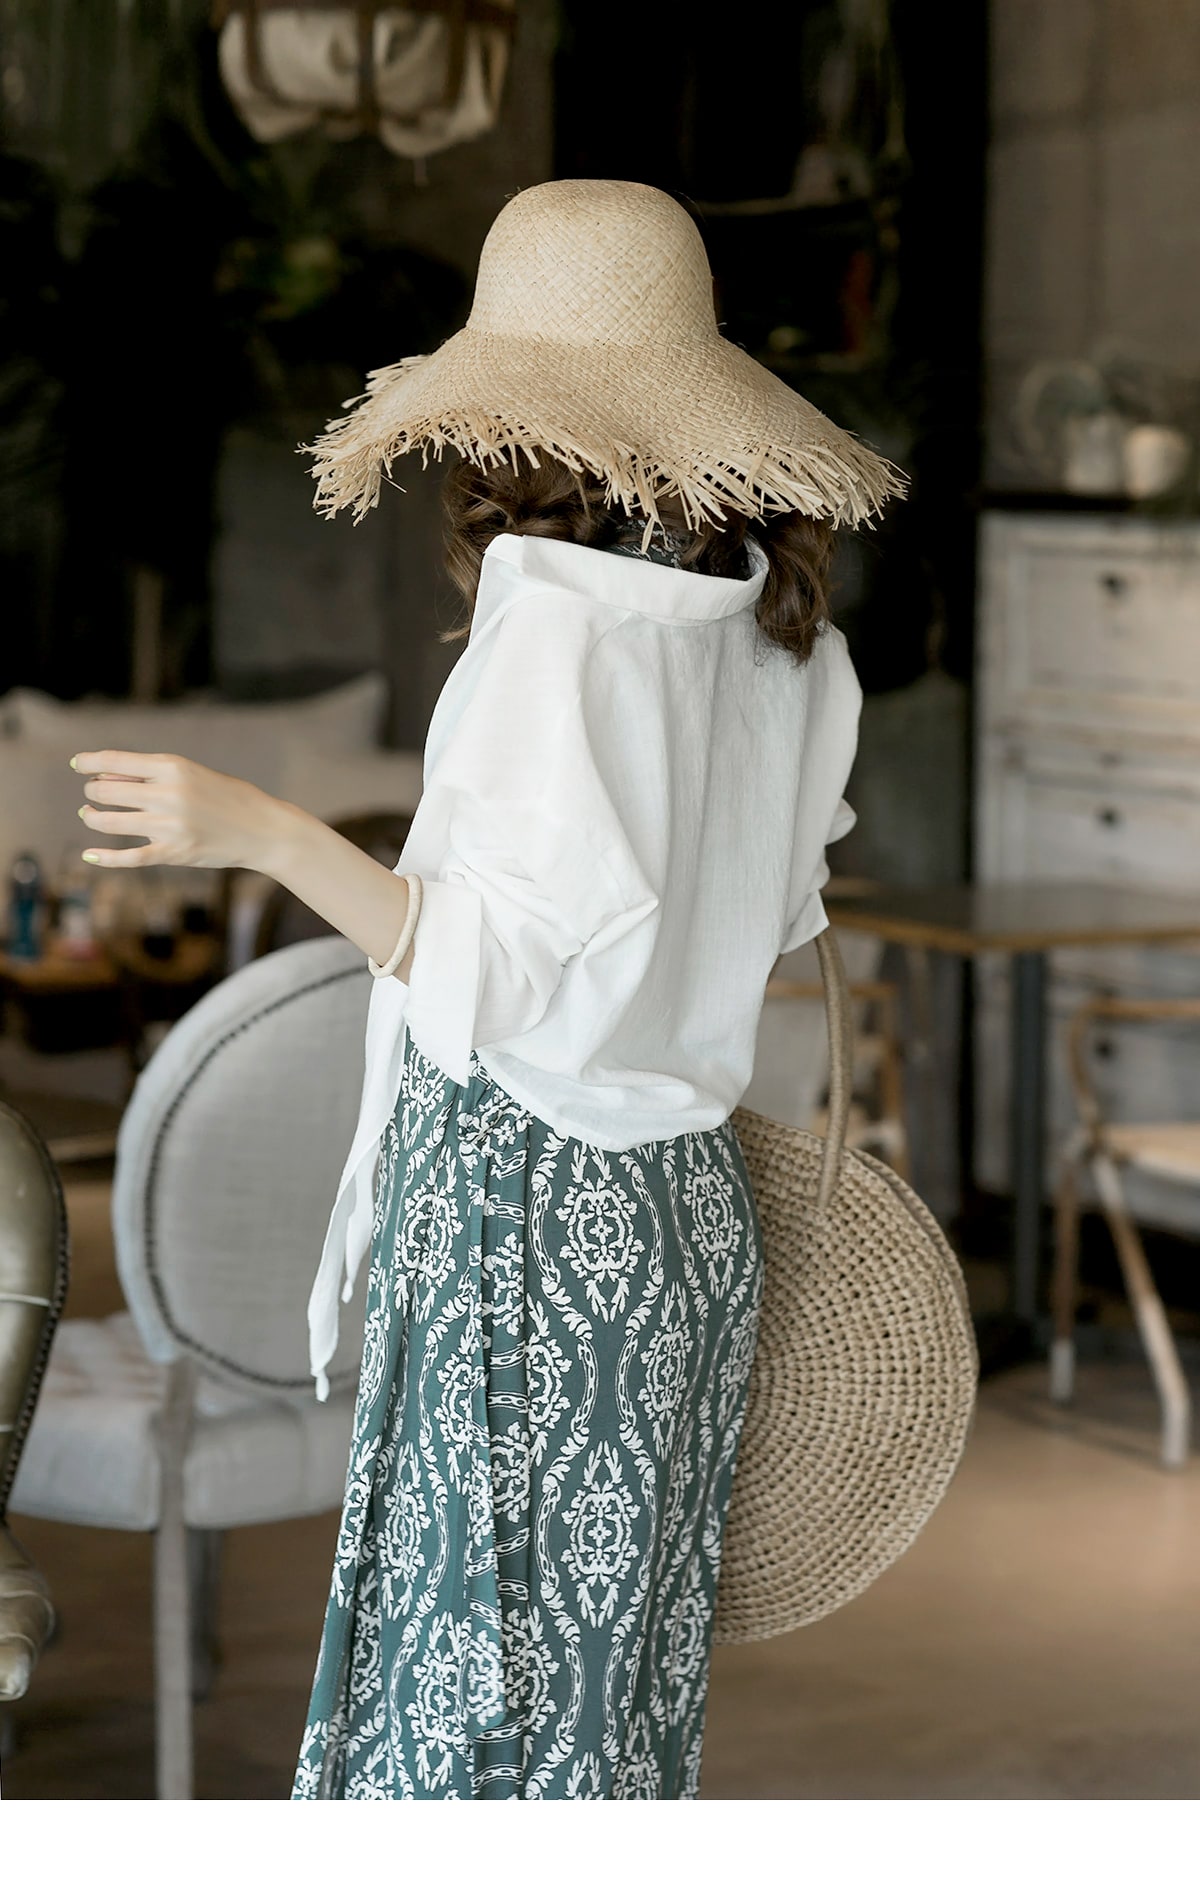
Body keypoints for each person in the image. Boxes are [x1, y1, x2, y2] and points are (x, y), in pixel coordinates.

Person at [69, 178, 903, 1800]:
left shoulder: (560, 641)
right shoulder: (787, 642)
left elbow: (487, 974)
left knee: (463, 1731)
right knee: (608, 1733)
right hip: (681, 1225)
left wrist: (258, 829)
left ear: (513, 420)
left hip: (527, 1212)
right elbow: (761, 915)